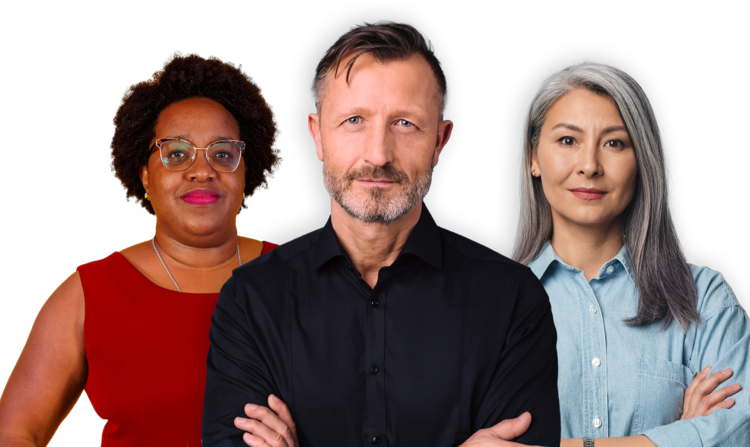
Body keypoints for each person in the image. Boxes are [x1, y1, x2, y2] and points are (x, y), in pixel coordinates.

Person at [202, 20, 560, 447]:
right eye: (354, 120)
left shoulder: (514, 300)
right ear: (317, 135)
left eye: (405, 124)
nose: (378, 153)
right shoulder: (250, 300)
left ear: (439, 141)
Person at [0, 53, 281, 446]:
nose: (202, 170)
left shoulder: (302, 278)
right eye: (177, 153)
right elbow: (15, 432)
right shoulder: (89, 294)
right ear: (145, 175)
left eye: (222, 153)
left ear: (245, 171)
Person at [512, 61, 750, 446]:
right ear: (534, 158)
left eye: (614, 143)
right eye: (568, 140)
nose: (589, 166)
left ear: (641, 161)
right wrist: (678, 436)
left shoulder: (704, 299)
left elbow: (739, 434)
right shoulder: (488, 303)